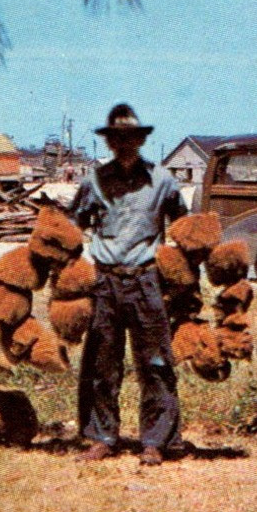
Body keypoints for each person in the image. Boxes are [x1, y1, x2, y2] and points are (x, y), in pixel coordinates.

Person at [67, 103, 189, 466]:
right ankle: (101, 436)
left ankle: (156, 440)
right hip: (104, 281)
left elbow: (183, 229)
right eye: (117, 139)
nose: (123, 145)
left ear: (140, 140)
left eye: (130, 138)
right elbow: (73, 227)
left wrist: (182, 278)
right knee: (101, 363)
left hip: (146, 280)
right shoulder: (94, 181)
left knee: (155, 363)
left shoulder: (162, 180)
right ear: (109, 142)